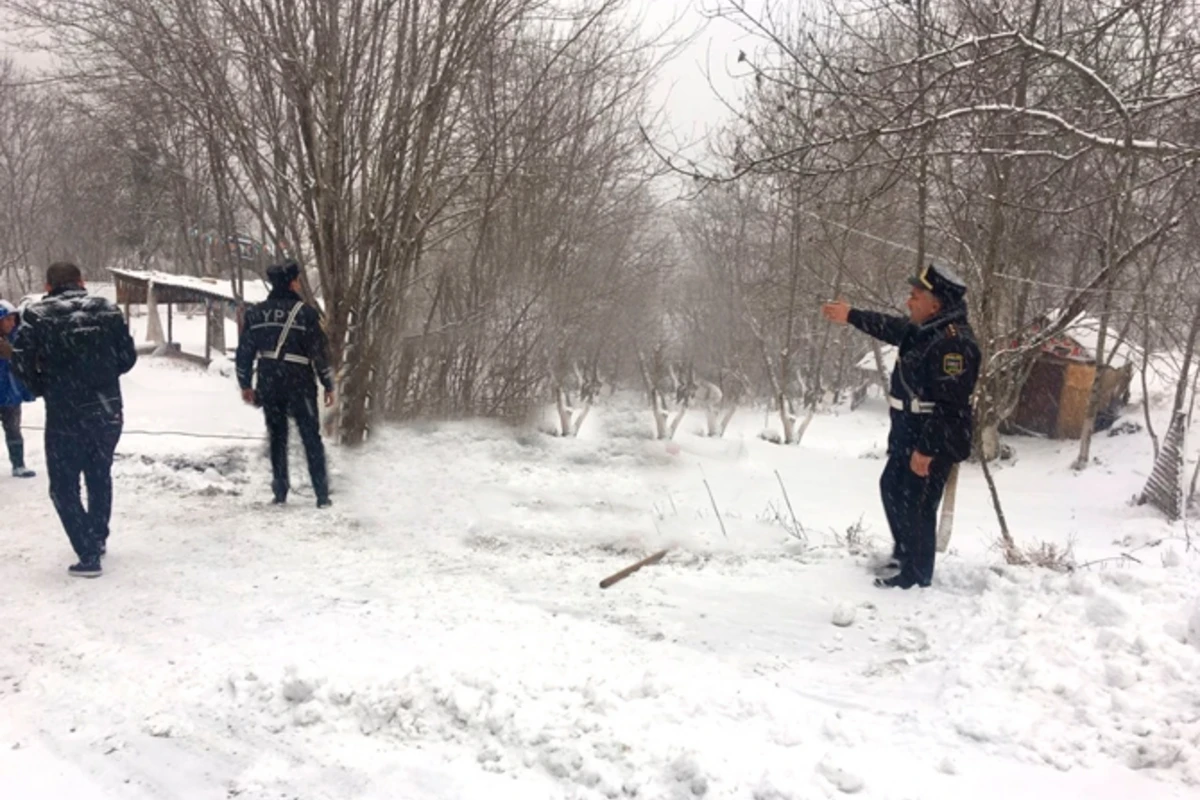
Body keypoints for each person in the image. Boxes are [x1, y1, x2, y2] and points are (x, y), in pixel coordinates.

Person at [822, 263, 980, 589]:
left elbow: (951, 406)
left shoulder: (954, 343)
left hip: (931, 434)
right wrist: (851, 315)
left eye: (915, 296)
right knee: (893, 488)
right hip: (909, 427)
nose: (909, 302)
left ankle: (916, 575)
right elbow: (890, 327)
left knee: (918, 503)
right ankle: (904, 555)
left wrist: (926, 450)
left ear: (935, 303)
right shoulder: (926, 328)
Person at [11, 263, 138, 578]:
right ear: (81, 281)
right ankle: (97, 534)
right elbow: (127, 357)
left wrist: (44, 387)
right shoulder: (108, 311)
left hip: (66, 410)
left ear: (48, 285)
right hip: (107, 407)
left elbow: (21, 361)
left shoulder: (37, 316)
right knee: (99, 473)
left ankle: (87, 551)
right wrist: (102, 376)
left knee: (63, 485)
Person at [235, 261, 334, 508]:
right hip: (299, 380)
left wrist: (245, 383)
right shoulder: (307, 314)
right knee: (310, 436)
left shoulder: (256, 314)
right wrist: (328, 383)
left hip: (269, 380)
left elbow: (244, 352)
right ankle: (321, 494)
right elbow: (320, 352)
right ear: (292, 282)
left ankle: (280, 491)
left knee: (277, 436)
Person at [0, 300, 36, 478]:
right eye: (7, 320)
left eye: (13, 319)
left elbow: (25, 362)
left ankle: (18, 464)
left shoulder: (16, 339)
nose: (11, 323)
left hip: (9, 394)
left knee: (13, 430)